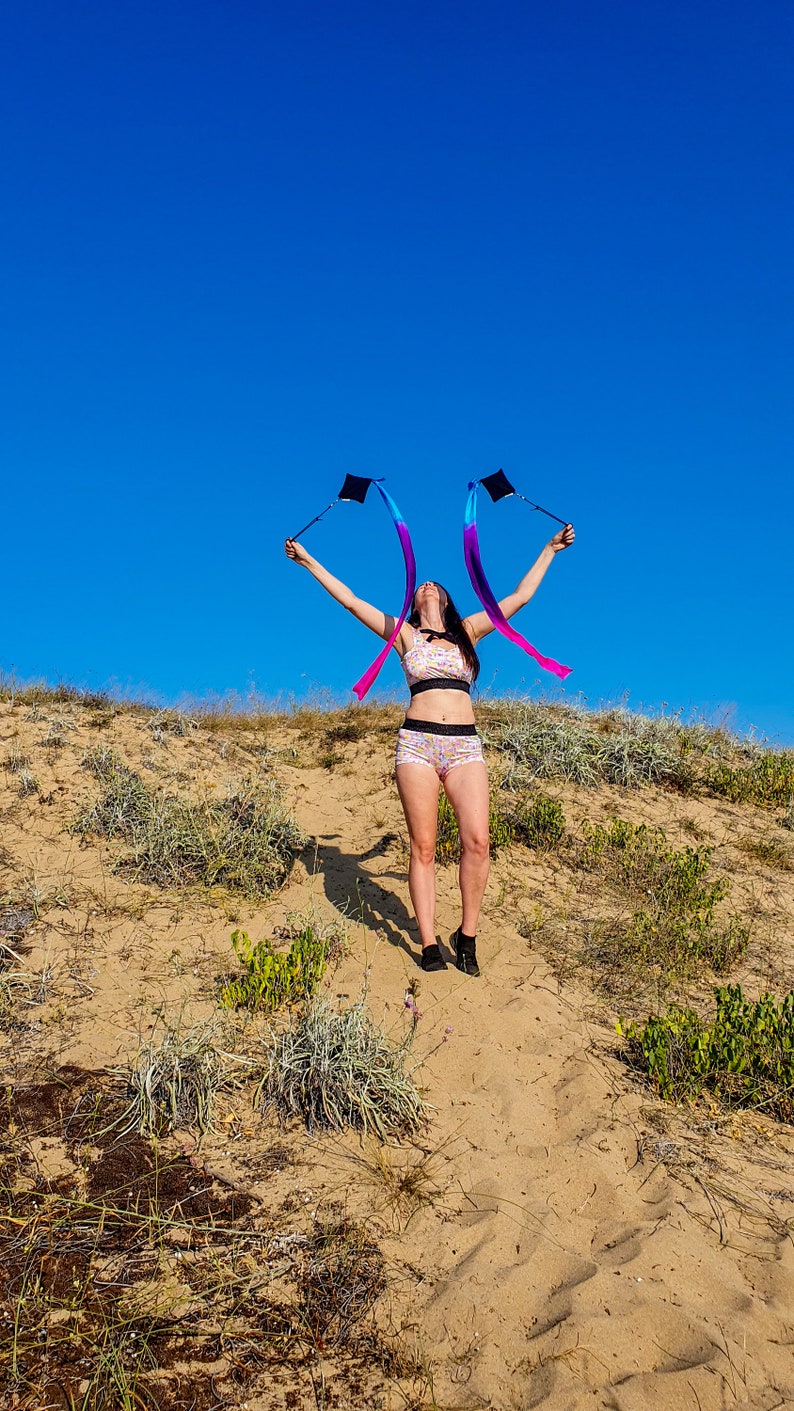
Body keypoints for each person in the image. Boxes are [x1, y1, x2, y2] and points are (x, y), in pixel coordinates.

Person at [284, 524, 575, 974]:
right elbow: (351, 600)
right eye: (421, 586)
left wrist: (550, 549)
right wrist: (308, 561)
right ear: (414, 602)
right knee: (423, 846)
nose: (427, 585)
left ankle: (467, 936)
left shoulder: (468, 631)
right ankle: (428, 942)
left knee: (478, 842)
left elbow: (519, 598)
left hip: (464, 746)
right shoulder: (404, 634)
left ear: (445, 599)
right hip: (417, 744)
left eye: (434, 585)